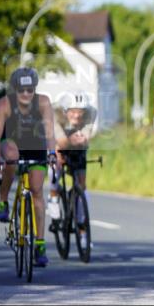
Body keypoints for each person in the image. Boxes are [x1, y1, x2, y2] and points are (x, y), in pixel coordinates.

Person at [0, 68, 57, 267]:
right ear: (15, 89)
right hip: (11, 143)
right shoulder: (5, 104)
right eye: (21, 90)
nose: (26, 94)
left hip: (35, 145)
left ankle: (40, 244)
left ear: (35, 89)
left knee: (36, 190)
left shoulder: (43, 102)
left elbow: (50, 132)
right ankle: (3, 201)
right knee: (12, 156)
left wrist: (52, 153)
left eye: (30, 90)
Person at [54, 91, 97, 230]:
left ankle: (81, 223)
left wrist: (79, 140)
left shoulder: (91, 112)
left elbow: (85, 139)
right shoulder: (55, 114)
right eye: (73, 111)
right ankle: (53, 198)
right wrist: (60, 150)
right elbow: (60, 142)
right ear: (65, 111)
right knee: (55, 171)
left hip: (76, 145)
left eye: (81, 112)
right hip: (56, 142)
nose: (77, 115)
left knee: (82, 184)